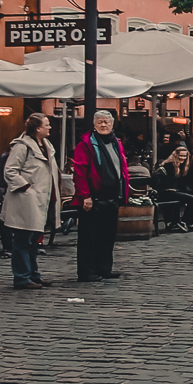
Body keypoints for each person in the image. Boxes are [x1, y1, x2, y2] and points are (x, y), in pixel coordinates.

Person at [1, 113, 59, 290]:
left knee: (34, 239)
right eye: (47, 125)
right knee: (23, 239)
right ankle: (22, 277)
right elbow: (10, 171)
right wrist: (26, 187)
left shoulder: (46, 145)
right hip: (27, 199)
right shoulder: (22, 146)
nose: (50, 128)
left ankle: (33, 275)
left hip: (41, 197)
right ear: (38, 128)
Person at [71, 109, 129, 282]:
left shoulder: (116, 142)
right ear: (94, 125)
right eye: (100, 122)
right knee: (89, 237)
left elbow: (121, 167)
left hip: (112, 196)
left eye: (107, 122)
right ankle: (87, 271)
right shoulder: (86, 144)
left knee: (107, 235)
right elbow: (79, 172)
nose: (104, 125)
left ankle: (104, 268)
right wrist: (85, 195)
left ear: (112, 124)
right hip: (93, 197)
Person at [154, 147, 191, 231]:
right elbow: (163, 182)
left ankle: (178, 221)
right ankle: (188, 221)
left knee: (188, 197)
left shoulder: (182, 166)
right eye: (180, 155)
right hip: (165, 191)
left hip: (173, 191)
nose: (183, 158)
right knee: (191, 199)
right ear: (176, 155)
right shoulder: (169, 165)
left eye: (185, 156)